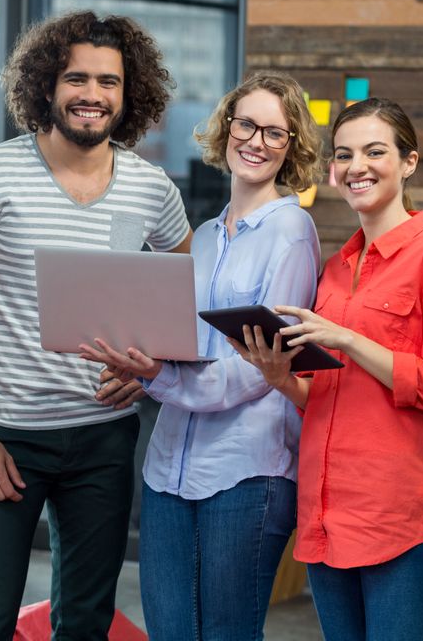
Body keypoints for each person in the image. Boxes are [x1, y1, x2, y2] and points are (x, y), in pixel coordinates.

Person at [0, 10, 192, 640]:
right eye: (76, 79)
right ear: (46, 88)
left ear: (128, 94)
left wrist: (153, 369)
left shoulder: (151, 190)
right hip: (6, 435)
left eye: (108, 82)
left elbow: (189, 289)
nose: (92, 95)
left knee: (85, 623)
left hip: (104, 440)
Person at [79, 71, 324, 640]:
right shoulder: (206, 234)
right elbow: (184, 342)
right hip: (169, 468)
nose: (256, 141)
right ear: (226, 128)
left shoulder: (291, 231)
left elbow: (263, 370)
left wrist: (159, 377)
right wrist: (140, 361)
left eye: (275, 133)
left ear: (291, 149)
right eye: (246, 125)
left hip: (247, 472)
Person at [234, 97, 423, 641]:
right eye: (344, 155)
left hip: (398, 520)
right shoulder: (336, 269)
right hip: (325, 515)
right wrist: (280, 378)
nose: (356, 166)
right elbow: (329, 397)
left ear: (408, 162)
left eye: (374, 151)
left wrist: (347, 338)